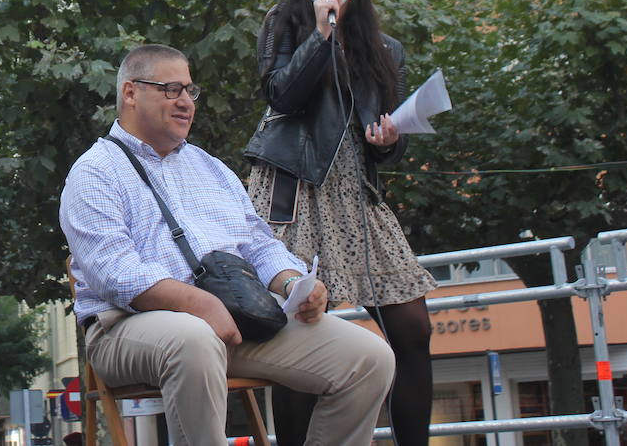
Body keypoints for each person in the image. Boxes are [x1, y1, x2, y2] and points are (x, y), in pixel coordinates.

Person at [61, 44, 395, 446]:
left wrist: (293, 283)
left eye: (189, 90)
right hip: (127, 330)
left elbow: (257, 243)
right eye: (172, 89)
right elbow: (115, 274)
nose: (186, 102)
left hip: (235, 322)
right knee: (192, 338)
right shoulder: (94, 172)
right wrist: (199, 304)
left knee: (370, 358)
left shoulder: (210, 167)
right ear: (130, 93)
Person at [244, 0, 436, 446]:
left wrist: (387, 139)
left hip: (357, 197)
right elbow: (280, 94)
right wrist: (321, 34)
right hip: (295, 192)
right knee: (304, 329)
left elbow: (386, 147)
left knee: (413, 330)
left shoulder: (386, 49)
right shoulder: (283, 24)